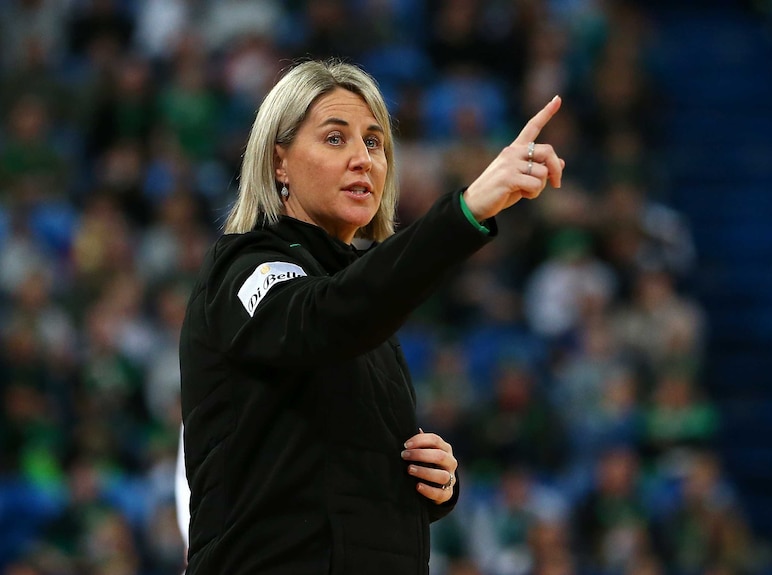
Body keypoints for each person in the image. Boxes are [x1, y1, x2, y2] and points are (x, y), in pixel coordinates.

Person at [178, 59, 564, 575]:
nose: (363, 159)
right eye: (335, 139)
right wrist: (467, 210)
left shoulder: (365, 304)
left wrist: (429, 482)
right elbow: (327, 318)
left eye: (375, 142)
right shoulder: (245, 268)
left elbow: (329, 465)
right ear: (279, 163)